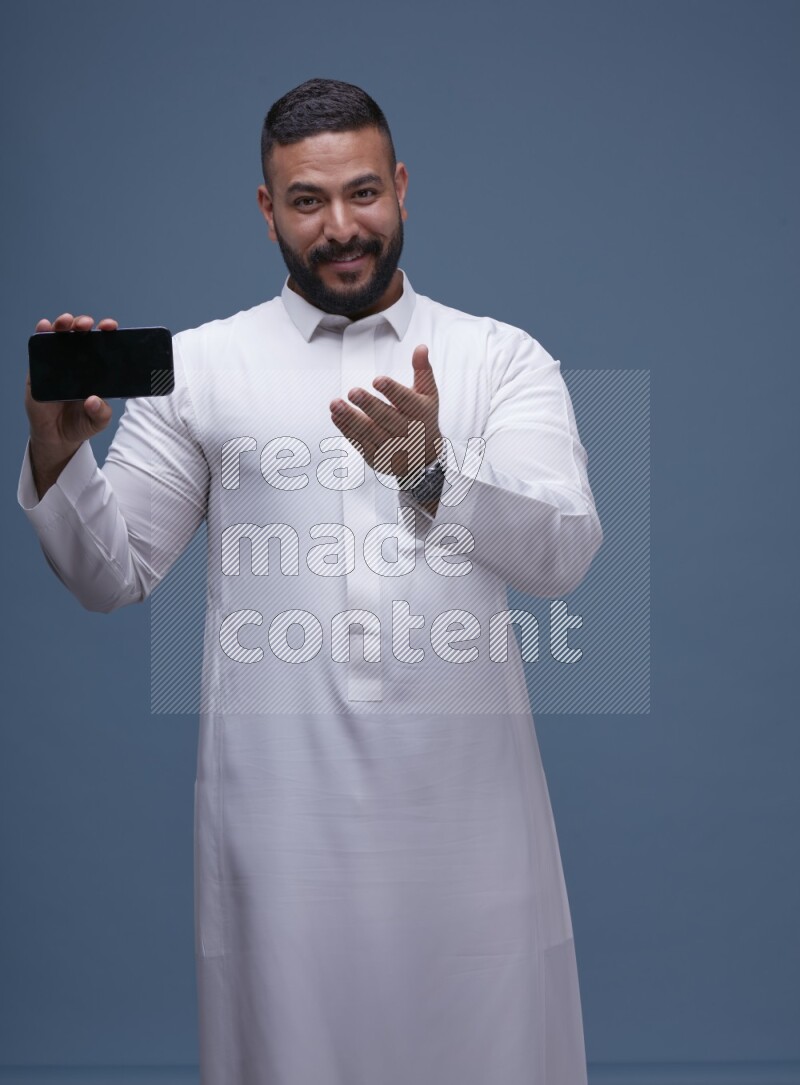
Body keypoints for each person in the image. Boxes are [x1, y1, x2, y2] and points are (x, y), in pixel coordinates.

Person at [19, 78, 603, 1085]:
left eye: (363, 193)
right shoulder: (201, 368)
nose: (341, 227)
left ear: (403, 187)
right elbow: (108, 574)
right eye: (306, 201)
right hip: (280, 835)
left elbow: (562, 553)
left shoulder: (497, 357)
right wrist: (57, 453)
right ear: (265, 207)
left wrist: (431, 466)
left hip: (469, 827)